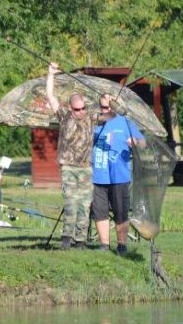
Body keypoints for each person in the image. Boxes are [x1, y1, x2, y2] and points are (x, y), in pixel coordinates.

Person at [46, 62, 119, 250]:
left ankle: (80, 241)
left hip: (86, 167)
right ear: (71, 108)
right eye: (77, 109)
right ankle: (66, 238)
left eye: (83, 108)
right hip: (69, 167)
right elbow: (50, 96)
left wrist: (111, 102)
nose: (81, 112)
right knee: (71, 202)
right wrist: (51, 75)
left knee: (85, 205)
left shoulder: (91, 117)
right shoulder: (64, 116)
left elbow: (111, 115)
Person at [91, 93, 145, 255]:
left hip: (119, 175)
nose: (105, 110)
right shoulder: (93, 123)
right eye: (102, 107)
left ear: (114, 106)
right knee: (99, 211)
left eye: (108, 106)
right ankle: (104, 244)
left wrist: (134, 142)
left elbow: (142, 142)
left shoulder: (124, 122)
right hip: (98, 175)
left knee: (120, 211)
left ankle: (121, 244)